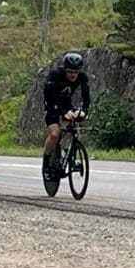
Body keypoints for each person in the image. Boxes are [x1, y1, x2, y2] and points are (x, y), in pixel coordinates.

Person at [42, 52, 90, 181]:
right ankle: (46, 163)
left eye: (75, 71)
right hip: (52, 104)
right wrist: (63, 113)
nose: (73, 74)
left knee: (75, 122)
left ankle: (71, 153)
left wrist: (84, 111)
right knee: (55, 134)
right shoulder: (55, 76)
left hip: (66, 104)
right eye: (69, 71)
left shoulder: (82, 77)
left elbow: (86, 97)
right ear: (65, 69)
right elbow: (51, 97)